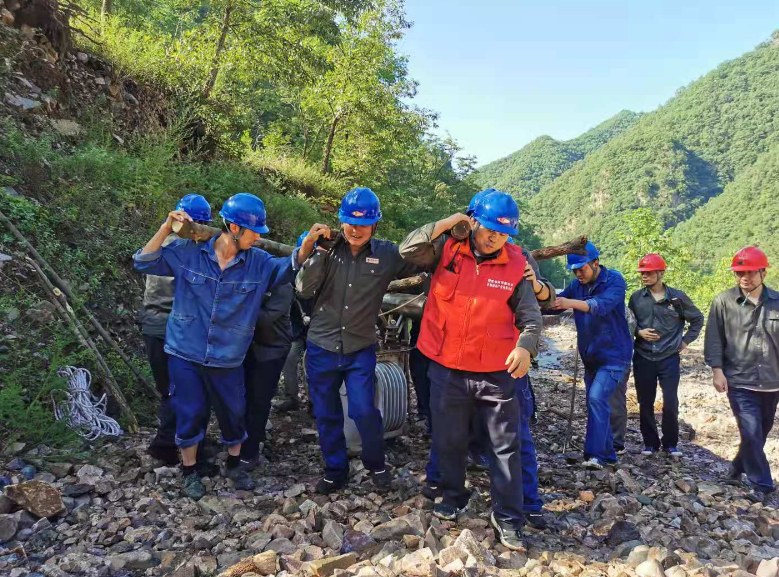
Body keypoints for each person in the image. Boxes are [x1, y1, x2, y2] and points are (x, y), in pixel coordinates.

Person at [134, 192, 323, 499]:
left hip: (228, 355)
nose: (258, 237)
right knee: (189, 412)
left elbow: (287, 267)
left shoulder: (258, 263)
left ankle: (234, 465)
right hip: (186, 351)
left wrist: (305, 247)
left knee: (234, 412)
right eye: (254, 231)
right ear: (235, 228)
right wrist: (166, 229)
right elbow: (143, 261)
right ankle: (189, 472)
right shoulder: (188, 253)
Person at [400, 190, 543, 552]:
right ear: (473, 221)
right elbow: (407, 249)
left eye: (504, 232)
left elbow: (531, 318)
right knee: (448, 440)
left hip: (496, 373)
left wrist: (526, 347)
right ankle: (452, 496)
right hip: (447, 367)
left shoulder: (517, 263)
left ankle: (508, 517)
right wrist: (450, 223)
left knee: (505, 448)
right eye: (490, 228)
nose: (495, 236)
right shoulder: (446, 249)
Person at [296, 187, 419, 494]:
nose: (356, 228)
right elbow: (303, 289)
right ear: (341, 220)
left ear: (375, 224)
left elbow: (426, 262)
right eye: (350, 221)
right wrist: (317, 250)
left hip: (359, 348)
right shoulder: (324, 248)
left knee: (364, 410)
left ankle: (376, 463)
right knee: (326, 412)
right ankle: (334, 470)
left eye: (363, 223)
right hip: (322, 346)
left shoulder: (387, 254)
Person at [138, 193, 212, 467]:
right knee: (188, 388)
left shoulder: (161, 244)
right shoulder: (187, 251)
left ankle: (168, 442)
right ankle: (177, 445)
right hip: (176, 326)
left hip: (152, 323)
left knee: (169, 389)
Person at [704, 246, 779, 504]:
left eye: (750, 272)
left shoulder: (777, 302)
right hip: (739, 380)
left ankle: (736, 469)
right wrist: (717, 371)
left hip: (772, 381)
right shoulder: (723, 302)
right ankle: (763, 483)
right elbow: (713, 339)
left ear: (763, 272)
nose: (744, 277)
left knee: (760, 431)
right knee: (750, 429)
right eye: (739, 273)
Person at [553, 241, 632, 470]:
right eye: (575, 270)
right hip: (592, 357)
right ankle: (608, 454)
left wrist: (570, 303)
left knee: (598, 398)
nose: (578, 274)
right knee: (594, 403)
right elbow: (554, 304)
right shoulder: (577, 286)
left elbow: (600, 306)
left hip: (615, 355)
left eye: (582, 269)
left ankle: (595, 455)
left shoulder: (614, 280)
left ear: (595, 263)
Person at [629, 253, 703, 457]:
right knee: (645, 402)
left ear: (660, 273)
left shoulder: (677, 298)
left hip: (669, 357)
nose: (644, 276)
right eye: (642, 273)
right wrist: (638, 332)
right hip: (643, 357)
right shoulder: (636, 298)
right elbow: (628, 322)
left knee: (671, 402)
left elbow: (697, 319)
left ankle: (670, 444)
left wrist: (686, 341)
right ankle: (650, 444)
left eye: (648, 272)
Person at [240, 280, 295, 468]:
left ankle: (250, 450)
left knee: (260, 400)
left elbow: (264, 318)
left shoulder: (283, 286)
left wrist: (233, 305)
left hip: (273, 349)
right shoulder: (249, 278)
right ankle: (243, 438)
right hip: (246, 347)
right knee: (244, 396)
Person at [277, 232, 314, 413]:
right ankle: (292, 398)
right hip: (296, 327)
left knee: (315, 365)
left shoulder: (326, 272)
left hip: (317, 329)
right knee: (289, 360)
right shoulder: (291, 273)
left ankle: (316, 402)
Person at [610, 306, 636, 455]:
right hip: (597, 362)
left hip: (618, 362)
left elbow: (628, 337)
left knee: (616, 401)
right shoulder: (594, 307)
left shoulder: (624, 312)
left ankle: (616, 442)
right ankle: (602, 439)